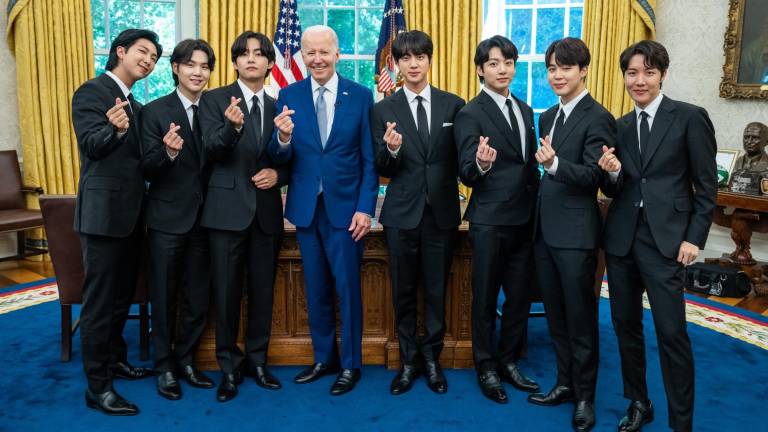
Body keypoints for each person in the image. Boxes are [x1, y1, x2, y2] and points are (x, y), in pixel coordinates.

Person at [598, 40, 717, 432]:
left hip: (668, 244)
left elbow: (705, 187)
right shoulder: (619, 126)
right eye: (632, 73)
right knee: (625, 327)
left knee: (671, 334)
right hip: (621, 242)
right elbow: (616, 189)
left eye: (648, 72)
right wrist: (611, 173)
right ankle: (638, 402)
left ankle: (681, 423)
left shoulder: (689, 117)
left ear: (662, 74)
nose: (639, 80)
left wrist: (694, 238)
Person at [267, 25, 378, 396]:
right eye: (309, 52)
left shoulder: (361, 96)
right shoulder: (289, 93)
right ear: (302, 55)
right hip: (305, 209)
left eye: (324, 52)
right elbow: (281, 155)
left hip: (347, 213)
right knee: (314, 289)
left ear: (337, 54)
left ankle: (350, 364)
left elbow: (368, 160)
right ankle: (323, 358)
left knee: (347, 289)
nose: (317, 59)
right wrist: (281, 138)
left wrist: (365, 208)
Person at [71, 28, 161, 416]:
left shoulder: (137, 106)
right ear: (120, 51)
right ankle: (98, 386)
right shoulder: (91, 92)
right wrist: (115, 129)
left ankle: (115, 360)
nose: (149, 60)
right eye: (143, 52)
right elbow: (92, 144)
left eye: (155, 57)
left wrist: (168, 154)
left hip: (131, 218)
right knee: (100, 304)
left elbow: (140, 164)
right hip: (103, 217)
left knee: (121, 298)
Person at [528, 37, 616, 432]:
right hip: (544, 233)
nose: (557, 75)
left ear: (584, 70)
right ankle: (564, 383)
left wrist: (556, 164)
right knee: (557, 318)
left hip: (577, 235)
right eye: (551, 68)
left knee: (580, 320)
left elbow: (595, 176)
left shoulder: (599, 117)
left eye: (565, 67)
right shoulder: (546, 117)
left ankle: (585, 397)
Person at [371, 30, 465, 396]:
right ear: (396, 63)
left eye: (420, 57)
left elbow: (462, 158)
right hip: (401, 214)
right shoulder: (382, 110)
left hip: (441, 212)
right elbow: (380, 166)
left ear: (429, 60)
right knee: (404, 291)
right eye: (405, 58)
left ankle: (432, 358)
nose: (413, 64)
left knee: (437, 290)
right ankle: (409, 360)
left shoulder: (453, 105)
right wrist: (391, 151)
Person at [198, 31, 290, 402]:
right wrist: (232, 128)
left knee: (262, 293)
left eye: (259, 54)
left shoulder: (277, 103)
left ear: (269, 63)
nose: (251, 59)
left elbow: (289, 160)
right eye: (244, 54)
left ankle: (258, 361)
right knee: (227, 293)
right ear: (235, 62)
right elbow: (210, 151)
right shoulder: (214, 100)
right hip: (225, 215)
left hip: (266, 214)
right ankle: (229, 367)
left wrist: (278, 171)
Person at [453, 35, 541, 405]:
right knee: (486, 298)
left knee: (519, 298)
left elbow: (529, 165)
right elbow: (466, 171)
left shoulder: (524, 109)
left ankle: (509, 361)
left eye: (507, 62)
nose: (501, 69)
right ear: (480, 69)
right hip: (490, 219)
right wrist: (482, 164)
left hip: (526, 218)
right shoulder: (470, 113)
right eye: (493, 63)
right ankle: (486, 366)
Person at [141, 38, 217, 401]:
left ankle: (187, 360)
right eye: (191, 65)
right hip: (167, 220)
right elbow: (146, 168)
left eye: (204, 66)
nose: (198, 72)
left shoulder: (217, 109)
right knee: (164, 296)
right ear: (176, 68)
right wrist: (168, 154)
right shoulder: (154, 111)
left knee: (197, 296)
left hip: (208, 221)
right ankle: (165, 367)